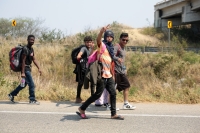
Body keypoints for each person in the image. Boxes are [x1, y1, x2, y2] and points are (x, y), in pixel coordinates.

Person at [76, 25, 124, 120]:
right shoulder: (102, 45)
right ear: (105, 37)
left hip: (108, 75)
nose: (109, 38)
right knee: (97, 94)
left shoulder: (111, 50)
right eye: (107, 36)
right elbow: (98, 40)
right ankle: (82, 108)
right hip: (101, 75)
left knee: (113, 93)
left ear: (113, 38)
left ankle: (113, 114)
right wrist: (101, 32)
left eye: (111, 37)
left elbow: (110, 62)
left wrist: (113, 71)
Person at [8, 35, 42, 104]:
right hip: (25, 69)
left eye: (33, 40)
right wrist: (23, 72)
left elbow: (34, 59)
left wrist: (39, 68)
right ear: (27, 40)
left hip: (28, 68)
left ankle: (11, 94)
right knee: (31, 84)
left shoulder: (31, 49)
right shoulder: (25, 49)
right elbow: (23, 61)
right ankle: (32, 99)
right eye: (31, 40)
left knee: (23, 85)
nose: (32, 41)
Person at [114, 33, 136, 110]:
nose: (125, 41)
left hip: (121, 71)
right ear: (120, 39)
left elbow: (122, 61)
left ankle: (126, 104)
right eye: (123, 40)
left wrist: (124, 68)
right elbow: (111, 55)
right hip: (115, 71)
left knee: (126, 86)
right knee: (113, 89)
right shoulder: (117, 47)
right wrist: (117, 59)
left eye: (127, 40)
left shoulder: (123, 48)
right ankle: (110, 105)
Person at [75, 36, 94, 103]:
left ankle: (93, 97)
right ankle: (78, 97)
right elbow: (80, 53)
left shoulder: (93, 48)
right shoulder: (84, 48)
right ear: (84, 43)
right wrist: (79, 56)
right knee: (81, 83)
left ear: (92, 42)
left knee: (93, 82)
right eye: (87, 42)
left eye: (90, 42)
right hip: (83, 69)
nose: (88, 43)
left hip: (91, 68)